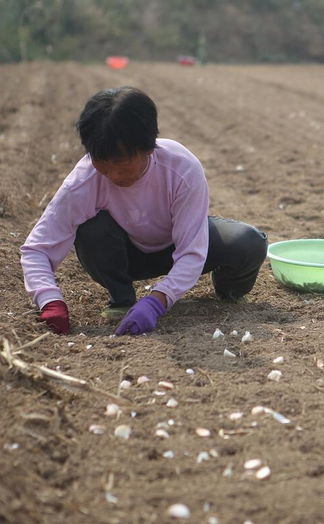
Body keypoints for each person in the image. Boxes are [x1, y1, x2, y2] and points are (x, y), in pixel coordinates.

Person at [20, 86, 268, 336]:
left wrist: (157, 301)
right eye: (102, 162)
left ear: (149, 148)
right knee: (91, 228)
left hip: (175, 244)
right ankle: (122, 299)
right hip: (126, 254)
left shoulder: (181, 169)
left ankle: (228, 291)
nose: (113, 174)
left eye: (121, 162)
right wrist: (50, 301)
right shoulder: (84, 181)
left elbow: (192, 252)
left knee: (247, 242)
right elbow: (37, 249)